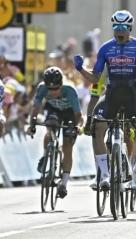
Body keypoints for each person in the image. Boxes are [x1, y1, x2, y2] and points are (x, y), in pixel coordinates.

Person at [74, 10, 136, 190]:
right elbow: (96, 78)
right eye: (116, 27)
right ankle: (102, 175)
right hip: (111, 94)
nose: (119, 31)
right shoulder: (105, 48)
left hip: (132, 95)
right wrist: (81, 69)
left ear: (130, 28)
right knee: (97, 128)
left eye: (124, 27)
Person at [26, 67, 83, 198]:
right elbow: (35, 108)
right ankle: (46, 155)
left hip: (70, 114)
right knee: (50, 126)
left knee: (67, 147)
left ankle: (63, 184)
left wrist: (78, 127)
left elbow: (79, 115)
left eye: (56, 88)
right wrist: (32, 125)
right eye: (49, 89)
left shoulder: (70, 90)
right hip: (53, 110)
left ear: (61, 84)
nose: (52, 92)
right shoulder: (41, 88)